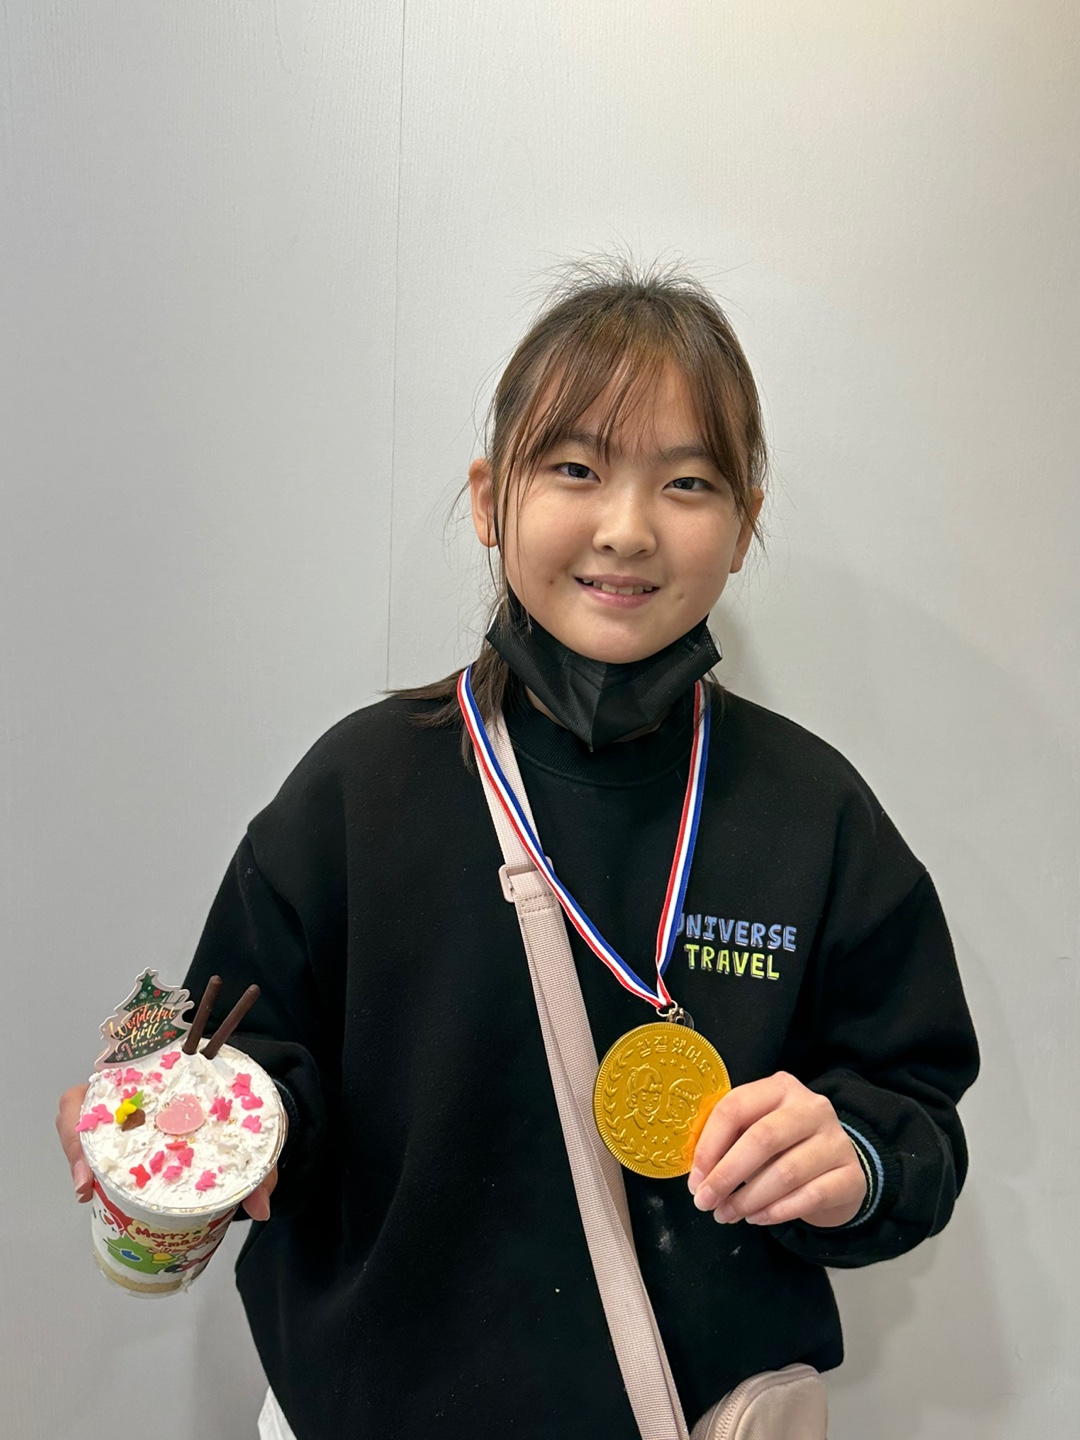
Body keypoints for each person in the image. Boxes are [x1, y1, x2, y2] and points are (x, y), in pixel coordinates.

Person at [57, 257, 979, 1439]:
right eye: (576, 468)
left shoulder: (815, 810)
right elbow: (254, 1054)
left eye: (688, 482)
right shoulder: (358, 787)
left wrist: (854, 1159)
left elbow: (915, 1113)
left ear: (745, 523)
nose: (627, 528)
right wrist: (191, 1126)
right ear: (492, 500)